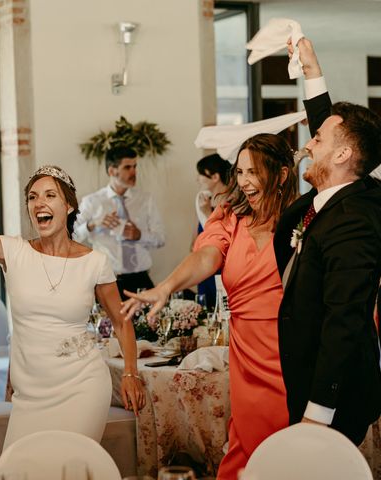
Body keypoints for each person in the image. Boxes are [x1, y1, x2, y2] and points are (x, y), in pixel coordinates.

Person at [0, 124, 145, 449]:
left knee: (68, 468)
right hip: (30, 397)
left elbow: (121, 320)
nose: (39, 204)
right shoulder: (13, 250)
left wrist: (132, 374)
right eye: (33, 197)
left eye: (50, 196)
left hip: (83, 386)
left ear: (69, 206)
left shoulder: (95, 262)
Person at [122, 134, 298, 479]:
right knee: (246, 450)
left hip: (293, 354)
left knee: (289, 454)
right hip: (247, 356)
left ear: (281, 175)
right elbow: (206, 256)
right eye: (240, 172)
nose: (245, 181)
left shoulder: (304, 220)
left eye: (254, 172)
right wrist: (168, 286)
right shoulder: (230, 218)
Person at [274, 37, 381, 445]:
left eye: (316, 139)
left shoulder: (354, 222)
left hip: (335, 398)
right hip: (312, 381)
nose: (307, 143)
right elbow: (335, 133)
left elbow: (345, 320)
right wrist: (311, 73)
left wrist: (318, 412)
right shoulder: (346, 195)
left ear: (341, 157)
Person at [74, 146, 165, 299]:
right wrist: (93, 224)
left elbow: (161, 239)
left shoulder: (145, 200)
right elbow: (71, 237)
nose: (134, 172)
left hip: (141, 280)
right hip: (107, 281)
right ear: (112, 171)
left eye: (135, 166)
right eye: (127, 167)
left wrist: (139, 235)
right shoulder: (92, 202)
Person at [193, 153, 232, 306]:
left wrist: (208, 214)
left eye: (201, 175)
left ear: (215, 177)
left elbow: (227, 239)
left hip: (222, 271)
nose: (198, 179)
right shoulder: (204, 202)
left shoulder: (231, 204)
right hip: (204, 269)